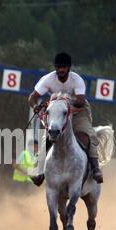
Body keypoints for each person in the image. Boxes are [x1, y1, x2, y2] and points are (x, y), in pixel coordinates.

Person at [28, 52, 103, 186]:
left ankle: (96, 169)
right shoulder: (48, 79)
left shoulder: (77, 80)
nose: (61, 70)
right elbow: (32, 97)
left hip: (78, 111)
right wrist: (35, 106)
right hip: (57, 112)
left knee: (89, 135)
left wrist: (67, 102)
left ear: (69, 68)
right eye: (58, 67)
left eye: (64, 67)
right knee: (47, 137)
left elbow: (81, 101)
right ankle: (39, 172)